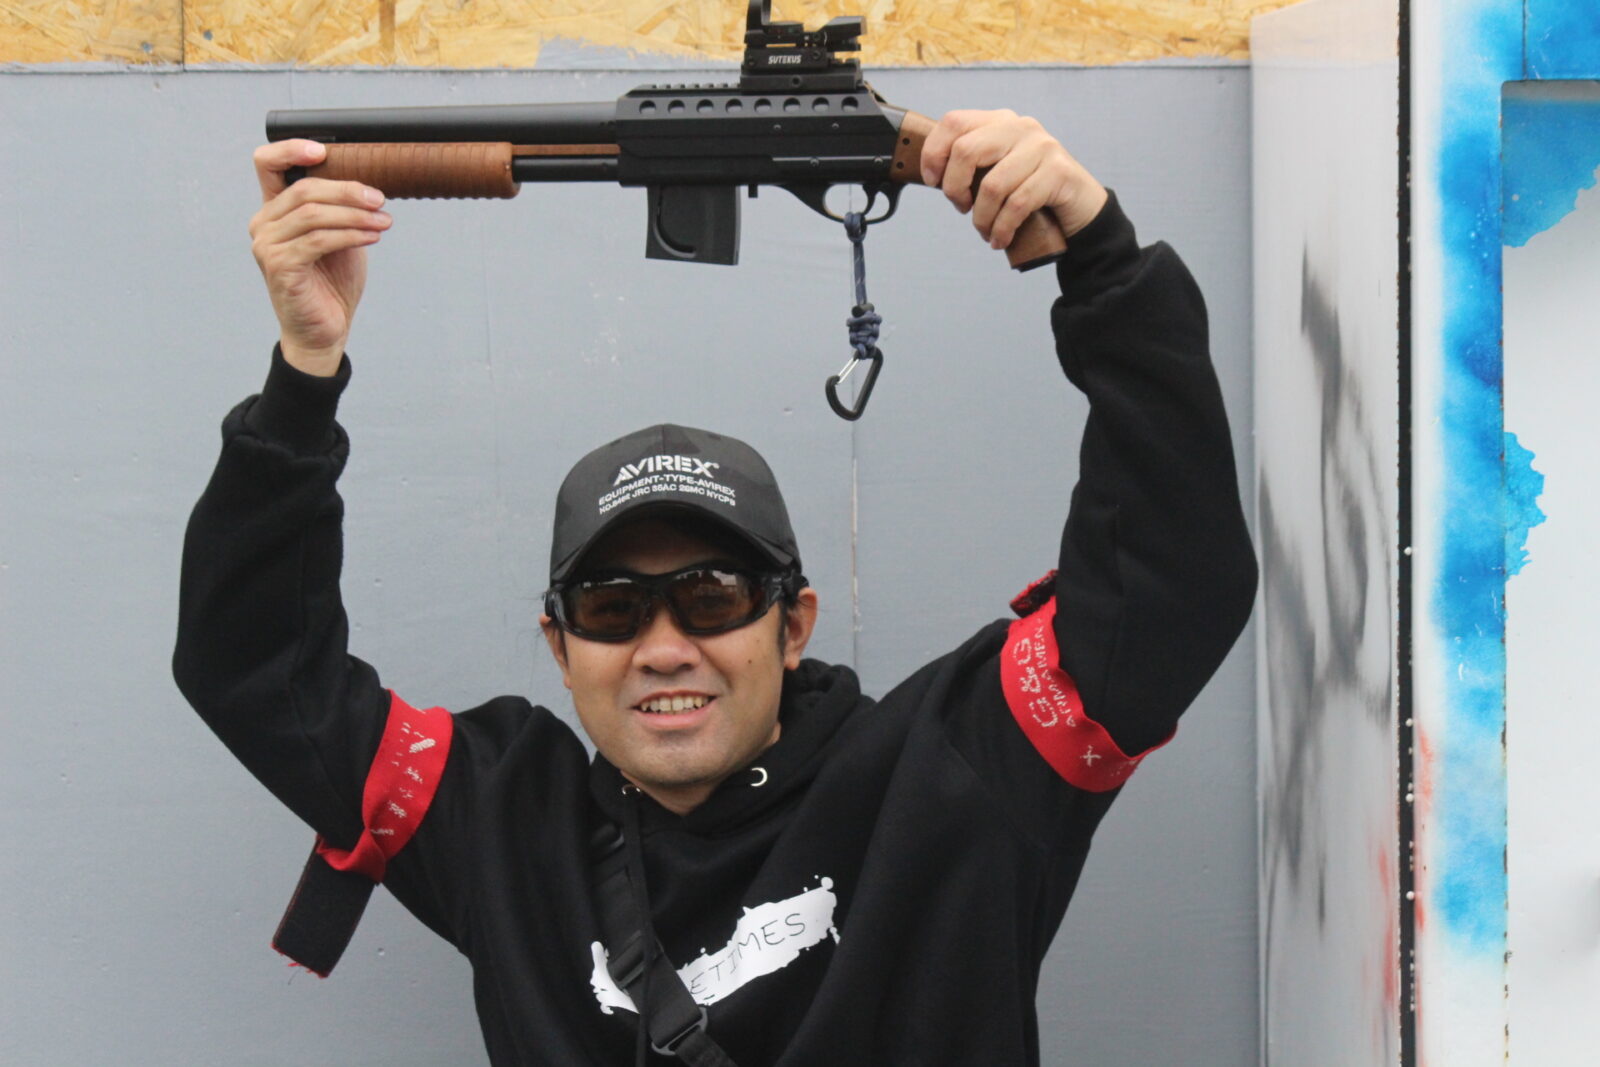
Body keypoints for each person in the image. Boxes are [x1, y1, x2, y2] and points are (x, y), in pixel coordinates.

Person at [174, 109, 1257, 1066]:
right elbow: (253, 668)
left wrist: (1102, 257)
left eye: (713, 597)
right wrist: (303, 369)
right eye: (610, 607)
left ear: (793, 625)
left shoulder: (950, 771)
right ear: (559, 647)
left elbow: (1172, 583)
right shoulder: (503, 822)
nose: (663, 646)